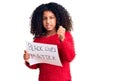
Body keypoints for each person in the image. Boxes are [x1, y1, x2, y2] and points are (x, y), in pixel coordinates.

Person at [23, 2, 76, 81]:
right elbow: (36, 65)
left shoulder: (65, 35)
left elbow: (70, 57)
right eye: (45, 18)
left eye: (51, 18)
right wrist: (28, 59)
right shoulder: (38, 40)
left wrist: (63, 40)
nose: (48, 22)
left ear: (57, 18)